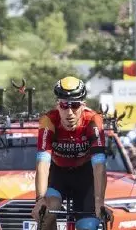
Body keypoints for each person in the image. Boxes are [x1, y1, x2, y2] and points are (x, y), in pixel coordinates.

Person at [32, 77, 112, 230]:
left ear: (83, 105)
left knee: (87, 226)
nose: (69, 113)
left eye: (75, 106)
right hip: (58, 174)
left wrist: (99, 202)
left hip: (85, 175)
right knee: (46, 215)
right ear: (58, 105)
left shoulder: (93, 120)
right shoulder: (48, 120)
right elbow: (42, 164)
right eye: (64, 105)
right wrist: (40, 199)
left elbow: (99, 166)